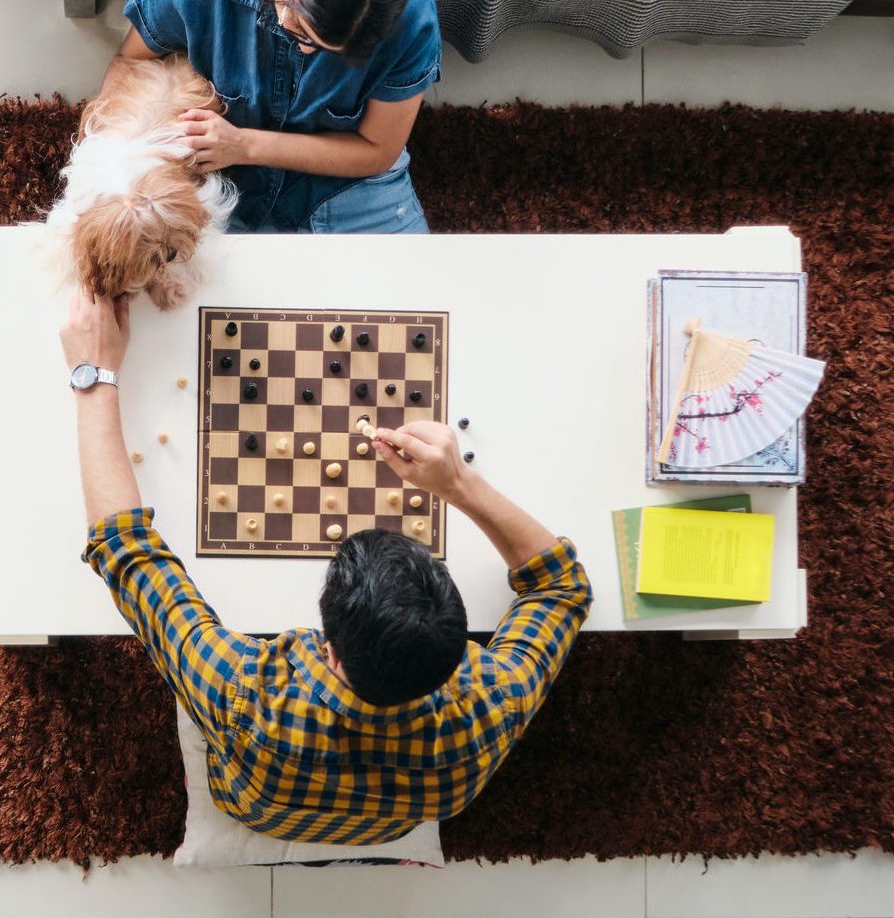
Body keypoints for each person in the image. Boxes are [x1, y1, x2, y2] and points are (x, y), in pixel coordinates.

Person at [61, 288, 593, 844]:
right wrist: (461, 484)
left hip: (253, 797)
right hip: (397, 814)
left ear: (329, 648)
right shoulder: (487, 712)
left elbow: (125, 551)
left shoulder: (244, 695)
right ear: (461, 649)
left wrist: (92, 377)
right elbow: (560, 587)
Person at [105, 0, 440, 233]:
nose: (307, 51)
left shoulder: (410, 18)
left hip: (347, 179)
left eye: (332, 51)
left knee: (413, 303)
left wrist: (244, 144)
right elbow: (132, 64)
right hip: (222, 177)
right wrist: (115, 177)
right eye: (302, 33)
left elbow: (378, 150)